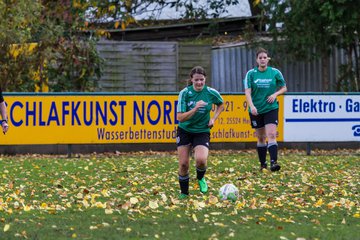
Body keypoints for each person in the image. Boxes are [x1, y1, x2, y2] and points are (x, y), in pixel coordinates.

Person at [176, 66, 224, 199]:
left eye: (201, 80)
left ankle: (201, 178)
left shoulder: (210, 92)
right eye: (196, 80)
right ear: (191, 80)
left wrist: (213, 118)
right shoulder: (185, 93)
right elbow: (180, 117)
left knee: (201, 160)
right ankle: (184, 193)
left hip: (202, 131)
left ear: (205, 79)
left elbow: (221, 104)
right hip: (185, 130)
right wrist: (195, 108)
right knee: (184, 164)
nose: (199, 83)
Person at [243, 47, 287, 172]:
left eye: (265, 57)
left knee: (272, 134)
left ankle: (274, 162)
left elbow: (284, 88)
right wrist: (252, 106)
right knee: (261, 137)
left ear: (268, 59)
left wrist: (275, 95)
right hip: (256, 109)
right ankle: (263, 164)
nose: (262, 60)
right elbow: (247, 92)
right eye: (260, 58)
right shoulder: (251, 74)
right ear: (257, 60)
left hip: (271, 107)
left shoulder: (275, 72)